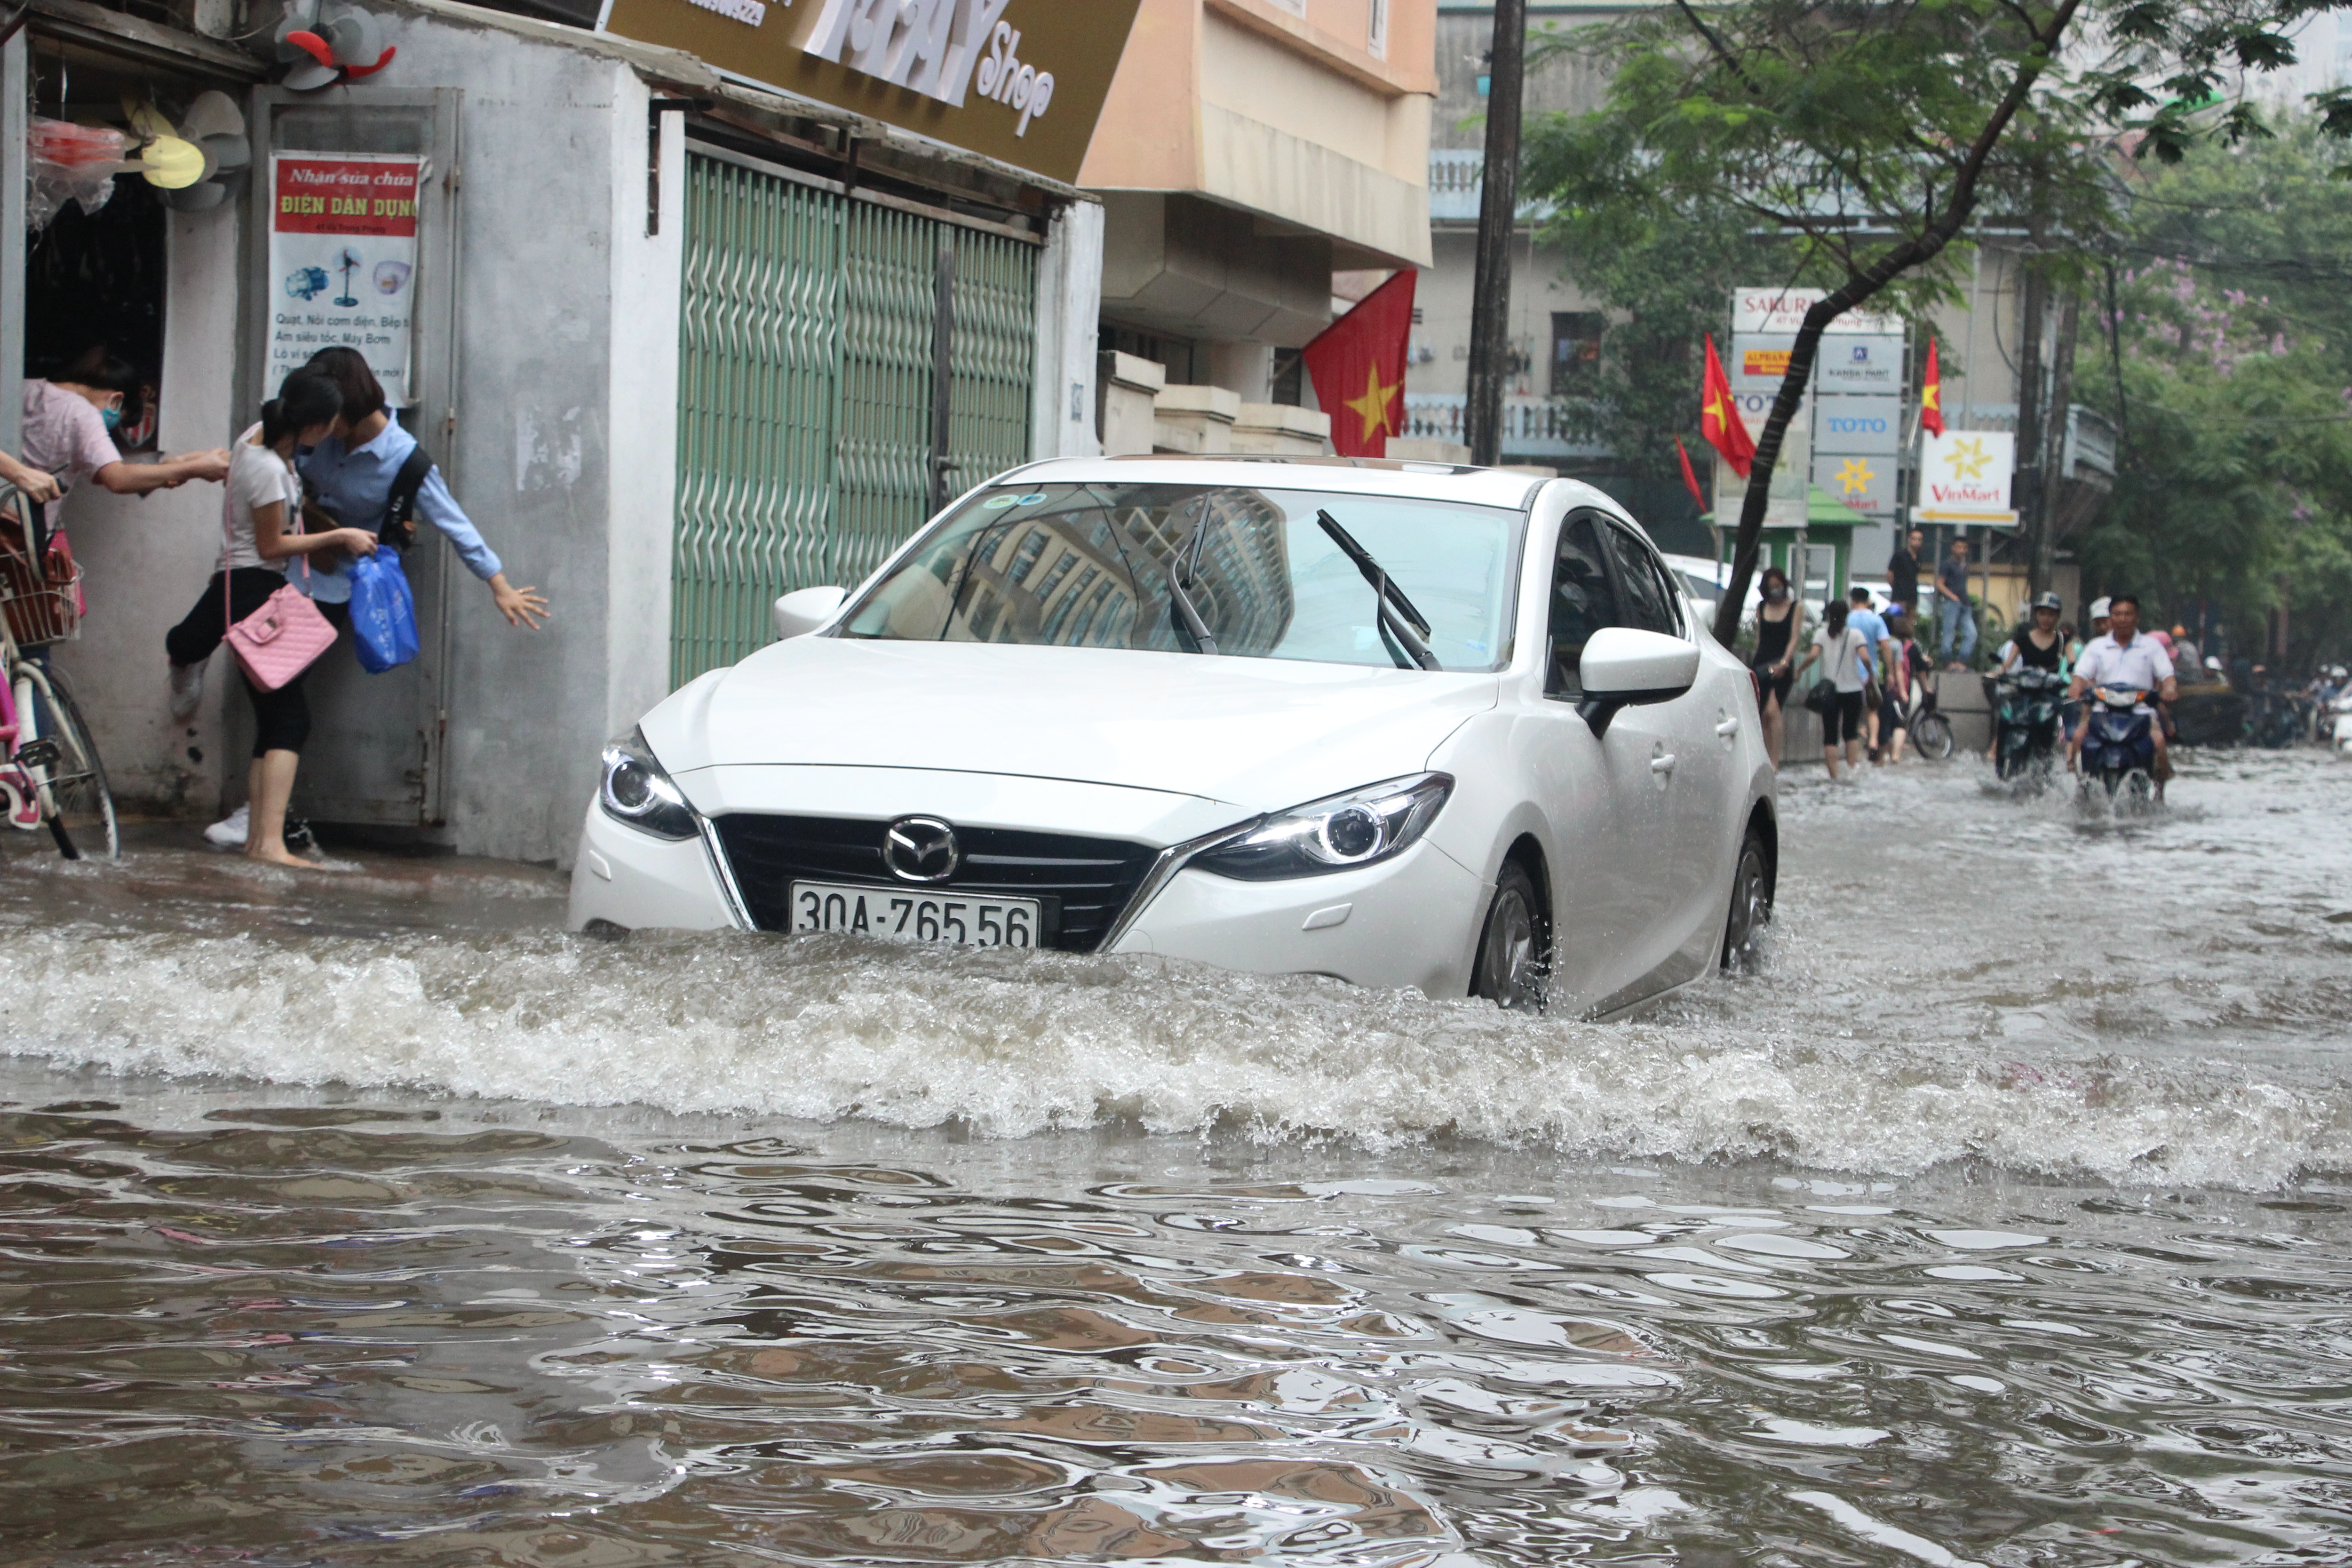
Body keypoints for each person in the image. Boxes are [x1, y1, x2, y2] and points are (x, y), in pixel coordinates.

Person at [198, 348, 550, 847]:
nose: (314, 428)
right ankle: (259, 819)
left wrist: (498, 583)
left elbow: (455, 523)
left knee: (282, 692)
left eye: (325, 417)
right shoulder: (313, 437)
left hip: (334, 587)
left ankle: (258, 820)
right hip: (281, 572)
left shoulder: (403, 459)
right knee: (268, 688)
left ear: (349, 410)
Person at [163, 373, 378, 869]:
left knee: (275, 717)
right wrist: (339, 536)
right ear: (314, 427)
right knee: (289, 718)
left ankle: (261, 841)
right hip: (255, 589)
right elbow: (271, 546)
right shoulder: (267, 469)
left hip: (246, 585)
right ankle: (268, 843)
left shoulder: (255, 442)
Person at [23, 357, 229, 502]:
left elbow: (103, 475)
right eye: (118, 418)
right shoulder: (84, 413)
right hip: (21, 534)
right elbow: (118, 479)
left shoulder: (24, 388)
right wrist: (197, 469)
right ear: (116, 399)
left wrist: (180, 464)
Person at [2069, 592, 2179, 795]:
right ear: (2111, 617)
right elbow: (2081, 675)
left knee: (2160, 743)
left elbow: (2167, 676)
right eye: (2117, 614)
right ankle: (2081, 786)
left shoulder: (2152, 647)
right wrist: (2076, 688)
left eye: (2128, 614)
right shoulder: (2097, 647)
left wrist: (2169, 689)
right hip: (2102, 711)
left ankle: (2160, 793)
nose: (2122, 618)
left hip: (2141, 712)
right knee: (2078, 738)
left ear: (2137, 617)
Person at [1794, 595, 1874, 781]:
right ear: (1847, 615)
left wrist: (1800, 669)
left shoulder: (1821, 634)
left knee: (1830, 734)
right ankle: (1852, 771)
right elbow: (1866, 658)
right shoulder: (1855, 635)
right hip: (1853, 689)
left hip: (1830, 691)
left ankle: (1834, 776)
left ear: (1828, 615)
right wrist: (1871, 674)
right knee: (1850, 731)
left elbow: (1813, 656)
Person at [1748, 565, 1803, 768]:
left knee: (1773, 709)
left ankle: (1775, 761)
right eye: (1771, 587)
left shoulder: (1796, 607)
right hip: (1762, 662)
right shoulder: (1762, 607)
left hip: (1782, 664)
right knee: (1762, 713)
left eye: (1778, 586)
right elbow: (1759, 638)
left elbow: (1794, 638)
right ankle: (1765, 758)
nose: (1775, 591)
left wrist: (1785, 663)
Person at [1845, 585, 1889, 759]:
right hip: (1871, 671)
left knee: (1852, 709)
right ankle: (1873, 741)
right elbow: (1885, 646)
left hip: (1849, 671)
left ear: (1853, 601)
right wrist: (1891, 671)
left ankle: (1855, 739)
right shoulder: (1877, 621)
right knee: (1873, 709)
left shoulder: (1848, 619)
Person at [1879, 607, 1926, 764]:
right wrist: (1904, 692)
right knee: (1900, 723)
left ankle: (1881, 754)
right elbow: (1904, 670)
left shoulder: (1875, 642)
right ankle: (1895, 756)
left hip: (1878, 685)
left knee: (1882, 721)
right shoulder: (1905, 646)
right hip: (1900, 688)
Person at [1935, 535, 1976, 669]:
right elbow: (1940, 584)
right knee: (1949, 633)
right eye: (1959, 547)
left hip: (1965, 603)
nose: (1962, 550)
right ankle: (1947, 663)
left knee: (1971, 634)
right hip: (1952, 603)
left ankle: (1961, 662)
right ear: (1953, 548)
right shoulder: (1947, 564)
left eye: (1964, 548)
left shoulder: (1964, 565)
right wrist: (1952, 596)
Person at [1886, 527, 1923, 622]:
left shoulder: (1919, 557)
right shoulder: (1900, 555)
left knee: (1910, 623)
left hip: (1912, 596)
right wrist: (1896, 588)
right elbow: (1890, 574)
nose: (1917, 542)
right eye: (1915, 539)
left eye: (1919, 540)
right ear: (1909, 540)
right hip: (1900, 596)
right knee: (1898, 621)